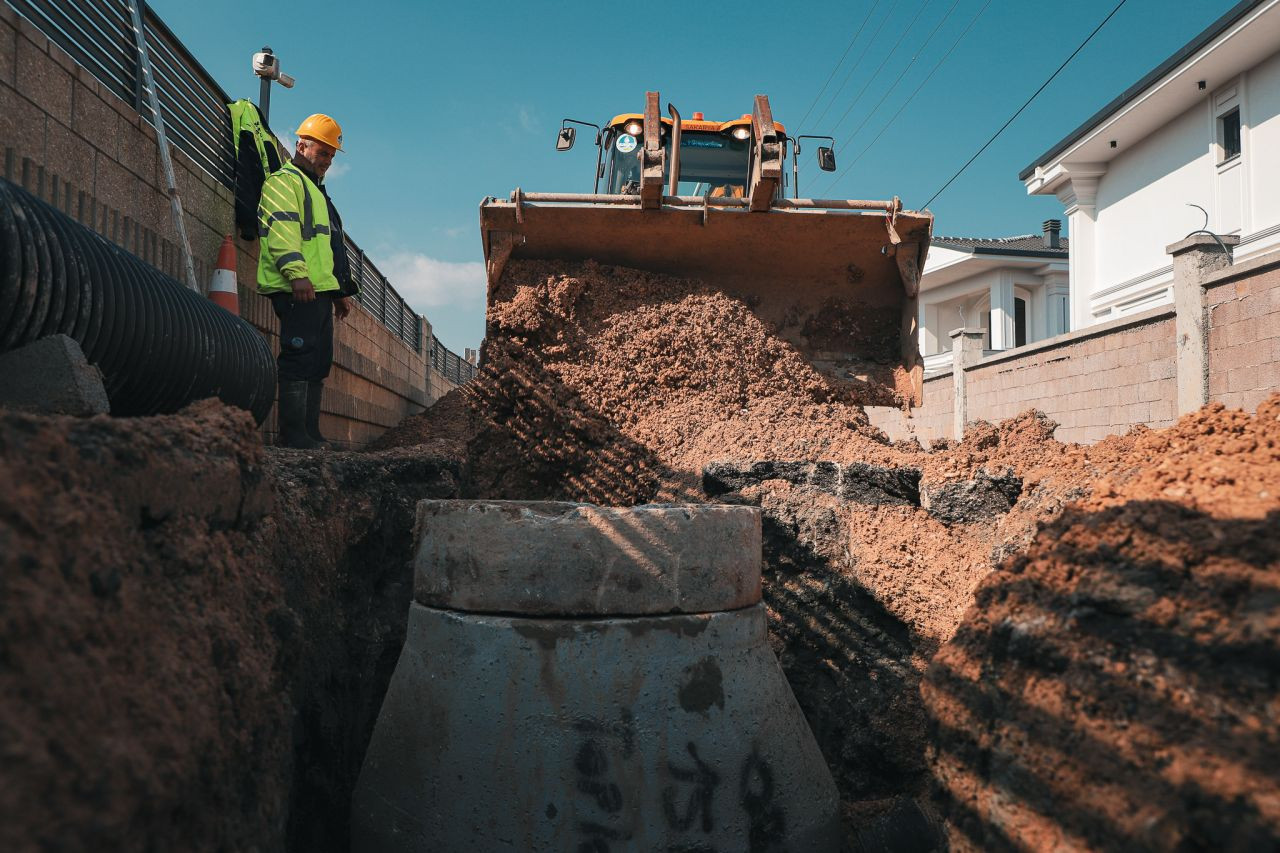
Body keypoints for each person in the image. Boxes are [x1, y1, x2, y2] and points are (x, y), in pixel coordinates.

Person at [257, 113, 354, 449]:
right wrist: (297, 275)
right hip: (297, 287)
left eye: (330, 155)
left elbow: (329, 248)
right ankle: (294, 435)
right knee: (300, 356)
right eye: (321, 151)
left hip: (318, 289)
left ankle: (310, 435)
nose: (326, 160)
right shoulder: (285, 182)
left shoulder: (315, 191)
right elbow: (282, 232)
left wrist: (340, 291)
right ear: (301, 145)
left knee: (317, 359)